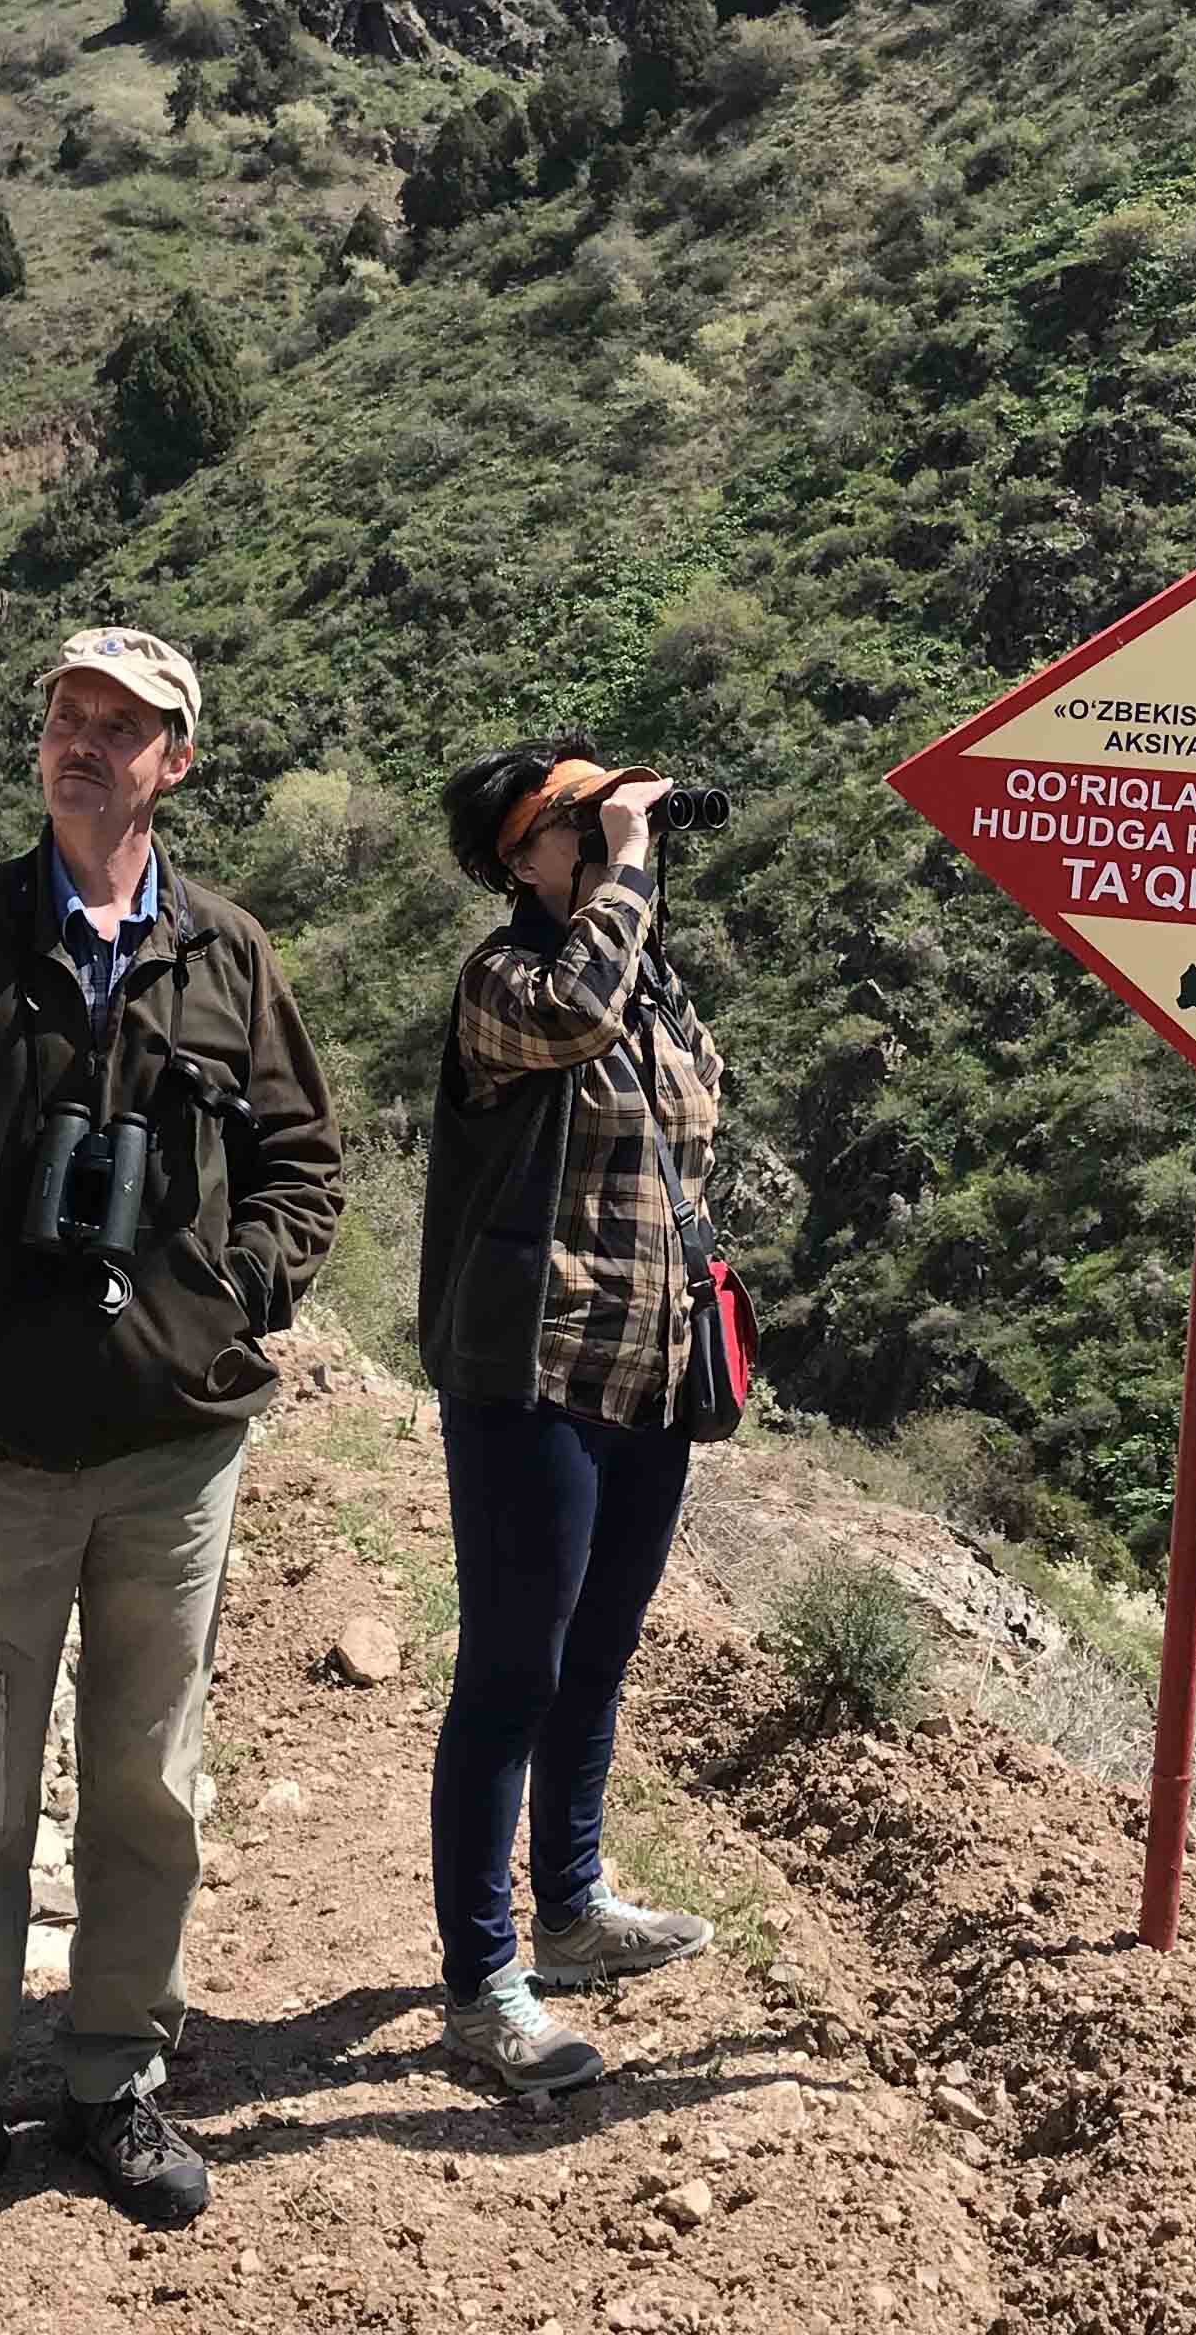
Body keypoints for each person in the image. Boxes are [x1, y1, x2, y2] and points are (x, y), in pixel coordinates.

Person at [0, 625, 344, 2272]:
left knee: (147, 1785)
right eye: (67, 717)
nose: (86, 744)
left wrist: (225, 1300)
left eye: (124, 726)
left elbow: (304, 1164)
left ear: (176, 762)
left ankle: (116, 2074)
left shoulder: (225, 953)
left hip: (174, 1451)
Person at [416, 739, 728, 2097]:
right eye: (576, 821)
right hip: (533, 1373)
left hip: (647, 1373)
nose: (605, 835)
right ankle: (484, 1985)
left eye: (609, 815)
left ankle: (574, 1908)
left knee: (597, 1656)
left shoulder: (650, 981)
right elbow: (574, 1011)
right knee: (512, 1675)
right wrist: (634, 860)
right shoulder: (506, 981)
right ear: (517, 859)